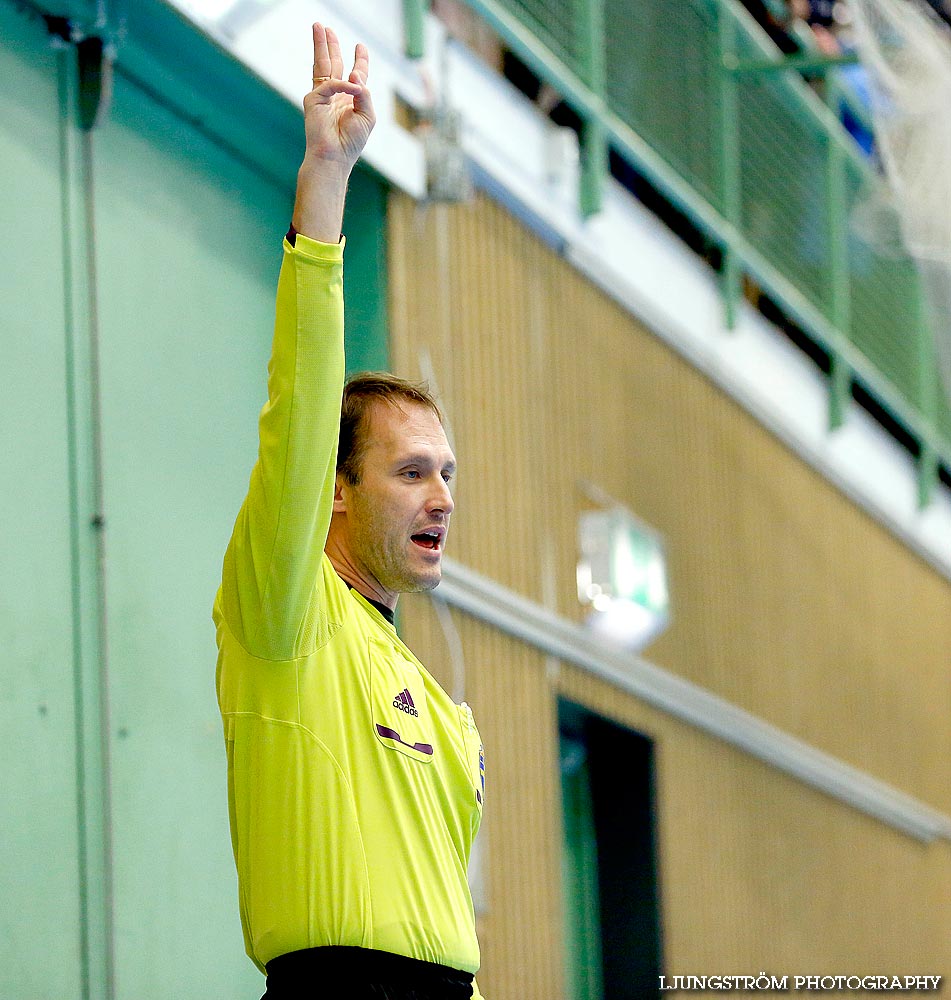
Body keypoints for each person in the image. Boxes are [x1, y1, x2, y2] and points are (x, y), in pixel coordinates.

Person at [213, 22, 485, 1000]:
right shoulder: (283, 615)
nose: (442, 498)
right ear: (336, 487)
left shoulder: (437, 708)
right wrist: (325, 182)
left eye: (447, 473)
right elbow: (298, 408)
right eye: (411, 471)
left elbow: (447, 924)